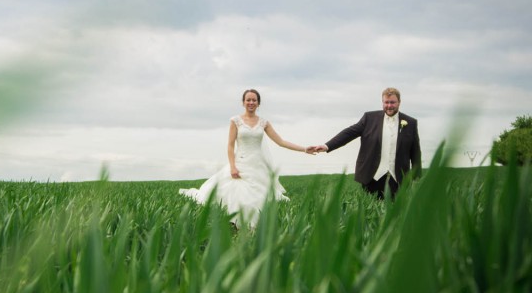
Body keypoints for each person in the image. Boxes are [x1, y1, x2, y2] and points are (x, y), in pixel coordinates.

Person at [180, 89, 313, 229]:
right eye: (248, 100)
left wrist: (304, 149)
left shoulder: (264, 123)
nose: (251, 102)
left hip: (258, 165)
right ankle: (236, 222)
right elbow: (230, 146)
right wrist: (232, 166)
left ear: (258, 103)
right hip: (240, 163)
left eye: (254, 100)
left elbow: (280, 141)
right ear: (243, 102)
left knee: (258, 197)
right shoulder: (236, 121)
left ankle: (255, 224)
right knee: (238, 193)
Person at [307, 87, 421, 199]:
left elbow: (415, 153)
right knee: (370, 214)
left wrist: (417, 178)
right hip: (372, 178)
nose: (389, 105)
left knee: (397, 215)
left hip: (399, 180)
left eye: (393, 102)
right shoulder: (369, 118)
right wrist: (327, 146)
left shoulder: (410, 123)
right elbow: (349, 133)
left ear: (399, 102)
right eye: (386, 102)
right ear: (382, 102)